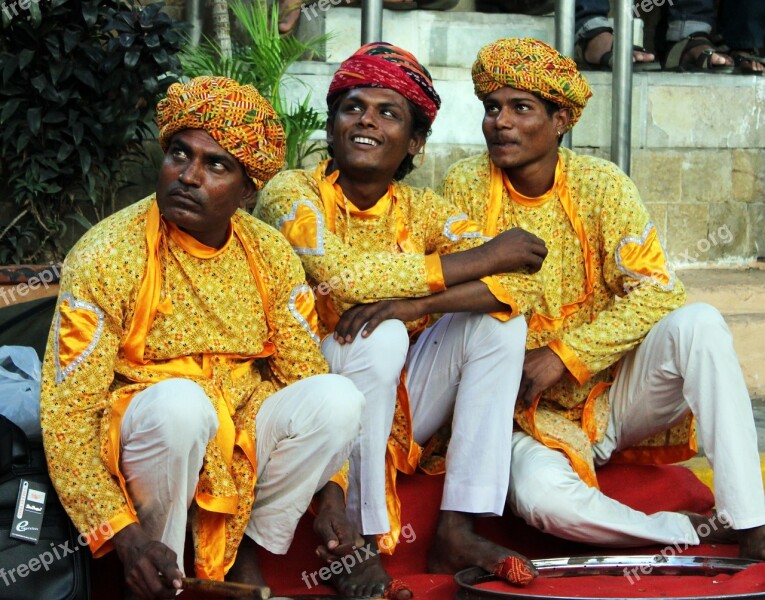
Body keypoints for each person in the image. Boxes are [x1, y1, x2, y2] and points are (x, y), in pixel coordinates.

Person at [40, 76, 365, 600]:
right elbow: (67, 418)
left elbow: (306, 373)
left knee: (338, 398)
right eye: (179, 154)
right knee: (181, 406)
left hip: (237, 431)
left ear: (248, 189)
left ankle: (245, 554)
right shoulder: (106, 254)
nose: (188, 176)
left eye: (216, 165)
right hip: (151, 431)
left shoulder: (270, 254)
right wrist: (124, 538)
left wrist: (332, 498)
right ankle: (161, 577)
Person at [440, 37, 765, 559]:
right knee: (548, 505)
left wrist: (567, 355)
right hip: (519, 415)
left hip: (611, 396)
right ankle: (681, 533)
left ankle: (749, 520)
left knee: (698, 323)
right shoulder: (464, 185)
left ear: (561, 119)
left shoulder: (602, 185)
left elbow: (658, 288)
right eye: (492, 108)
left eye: (520, 108)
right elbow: (464, 293)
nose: (500, 122)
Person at [255, 42, 547, 598]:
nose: (366, 120)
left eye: (388, 112)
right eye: (353, 107)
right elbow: (340, 277)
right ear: (333, 123)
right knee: (378, 332)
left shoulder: (424, 211)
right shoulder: (291, 194)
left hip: (400, 400)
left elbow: (523, 284)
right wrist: (484, 257)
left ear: (414, 141)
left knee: (499, 321)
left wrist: (417, 306)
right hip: (307, 395)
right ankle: (356, 542)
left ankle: (459, 525)